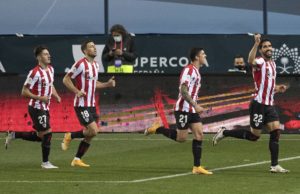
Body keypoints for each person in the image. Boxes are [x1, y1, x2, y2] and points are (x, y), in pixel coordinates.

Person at [213, 34, 289, 173]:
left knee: (276, 131)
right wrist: (256, 43)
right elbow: (250, 60)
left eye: (269, 46)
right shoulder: (259, 61)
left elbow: (268, 84)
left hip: (269, 104)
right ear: (261, 50)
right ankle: (225, 132)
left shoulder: (272, 64)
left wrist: (278, 88)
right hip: (258, 104)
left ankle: (274, 165)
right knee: (254, 136)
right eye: (265, 47)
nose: (268, 48)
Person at [145, 48, 213, 175]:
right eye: (203, 54)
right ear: (197, 57)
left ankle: (196, 167)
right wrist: (195, 105)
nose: (205, 55)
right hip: (183, 109)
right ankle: (157, 129)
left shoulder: (197, 72)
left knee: (199, 135)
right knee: (181, 138)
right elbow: (183, 90)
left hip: (192, 110)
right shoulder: (189, 70)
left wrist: (195, 106)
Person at [4, 45, 61, 169]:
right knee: (48, 132)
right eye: (46, 54)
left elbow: (51, 85)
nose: (49, 55)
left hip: (45, 107)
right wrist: (41, 98)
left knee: (41, 136)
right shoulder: (34, 73)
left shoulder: (51, 69)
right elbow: (24, 92)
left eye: (48, 53)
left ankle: (14, 134)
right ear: (39, 57)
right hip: (36, 108)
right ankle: (45, 163)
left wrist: (56, 95)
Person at [62, 40, 115, 167]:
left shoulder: (96, 65)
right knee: (93, 130)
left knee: (90, 135)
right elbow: (66, 79)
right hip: (81, 104)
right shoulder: (80, 64)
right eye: (91, 46)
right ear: (85, 51)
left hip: (92, 104)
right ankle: (70, 135)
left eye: (94, 46)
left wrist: (107, 84)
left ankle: (76, 159)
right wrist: (76, 91)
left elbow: (94, 83)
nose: (94, 48)